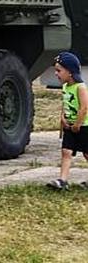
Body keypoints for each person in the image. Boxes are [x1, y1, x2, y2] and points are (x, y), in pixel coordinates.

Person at [48, 52, 88, 191]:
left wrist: (78, 124)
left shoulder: (80, 87)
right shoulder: (65, 87)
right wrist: (63, 118)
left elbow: (84, 107)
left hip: (84, 126)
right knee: (66, 151)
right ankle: (62, 180)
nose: (56, 74)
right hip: (70, 127)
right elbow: (65, 104)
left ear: (70, 72)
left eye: (59, 70)